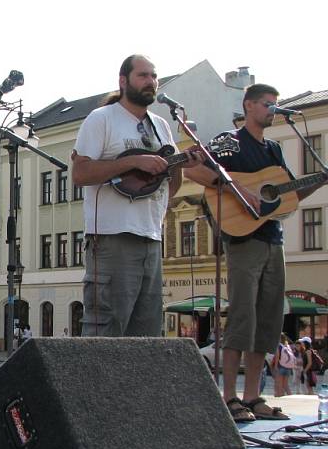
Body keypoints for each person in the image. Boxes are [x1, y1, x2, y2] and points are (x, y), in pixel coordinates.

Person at [184, 84, 320, 421]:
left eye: (276, 104)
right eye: (267, 104)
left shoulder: (274, 148)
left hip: (274, 240)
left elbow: (283, 199)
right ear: (248, 106)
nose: (273, 110)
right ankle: (229, 397)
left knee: (269, 320)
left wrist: (316, 182)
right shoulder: (229, 142)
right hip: (243, 240)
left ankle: (253, 395)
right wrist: (239, 189)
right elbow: (194, 169)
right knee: (243, 316)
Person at [71, 54, 201, 337]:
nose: (151, 82)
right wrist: (133, 162)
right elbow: (80, 174)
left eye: (154, 76)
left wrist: (180, 166)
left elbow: (168, 188)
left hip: (151, 237)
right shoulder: (102, 118)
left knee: (146, 334)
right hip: (112, 236)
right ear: (123, 80)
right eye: (143, 75)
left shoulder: (162, 125)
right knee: (107, 330)